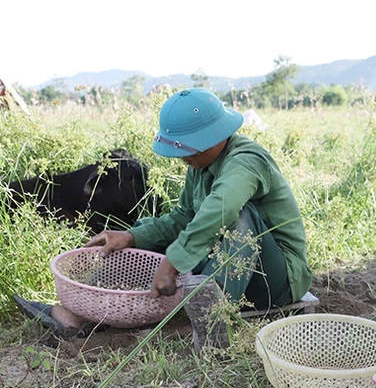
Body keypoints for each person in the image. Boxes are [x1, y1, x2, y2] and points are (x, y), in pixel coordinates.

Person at [15, 88, 313, 353]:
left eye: (185, 148)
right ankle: (78, 316)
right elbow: (183, 219)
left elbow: (219, 211)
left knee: (240, 216)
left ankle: (214, 322)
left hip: (276, 281)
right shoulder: (200, 166)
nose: (180, 158)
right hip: (224, 263)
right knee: (146, 240)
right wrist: (131, 236)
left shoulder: (246, 160)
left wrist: (173, 262)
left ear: (211, 138)